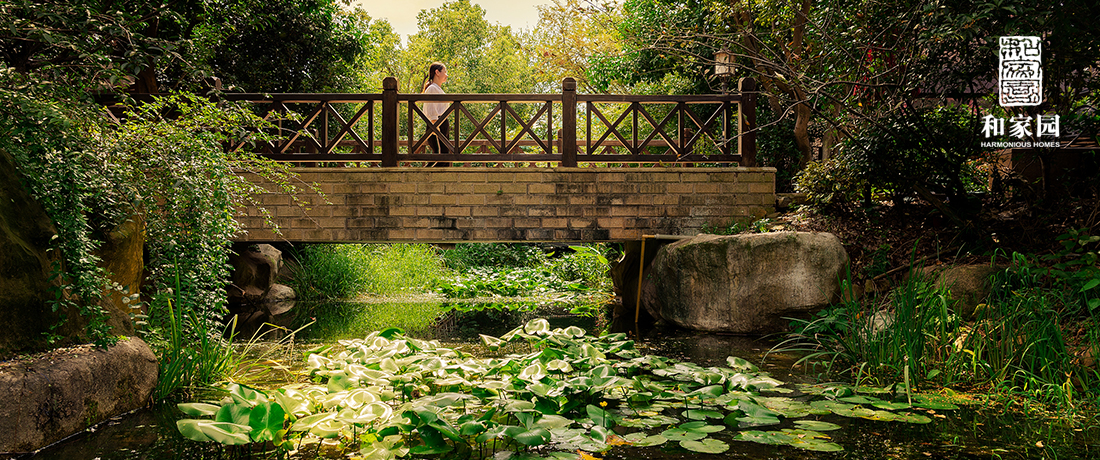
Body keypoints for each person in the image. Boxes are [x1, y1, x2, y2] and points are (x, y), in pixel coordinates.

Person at [422, 62, 450, 166]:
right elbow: (430, 108)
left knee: (443, 156)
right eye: (445, 72)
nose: (446, 75)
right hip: (437, 123)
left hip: (440, 123)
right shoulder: (432, 88)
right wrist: (435, 125)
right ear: (437, 72)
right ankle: (424, 177)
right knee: (440, 157)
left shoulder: (437, 88)